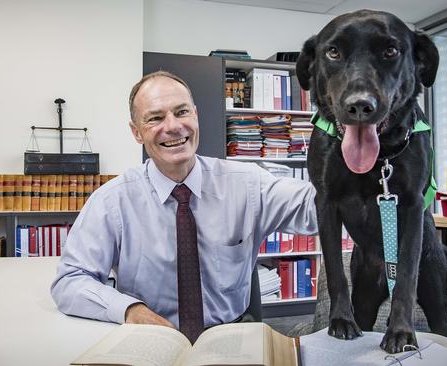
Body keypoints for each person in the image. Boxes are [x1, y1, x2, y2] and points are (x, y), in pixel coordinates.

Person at [50, 71, 318, 339]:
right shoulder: (112, 202)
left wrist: (349, 147)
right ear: (136, 132)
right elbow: (70, 281)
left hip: (230, 338)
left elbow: (314, 209)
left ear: (196, 116)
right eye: (155, 118)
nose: (173, 126)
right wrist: (129, 309)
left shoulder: (247, 184)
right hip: (152, 340)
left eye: (182, 112)